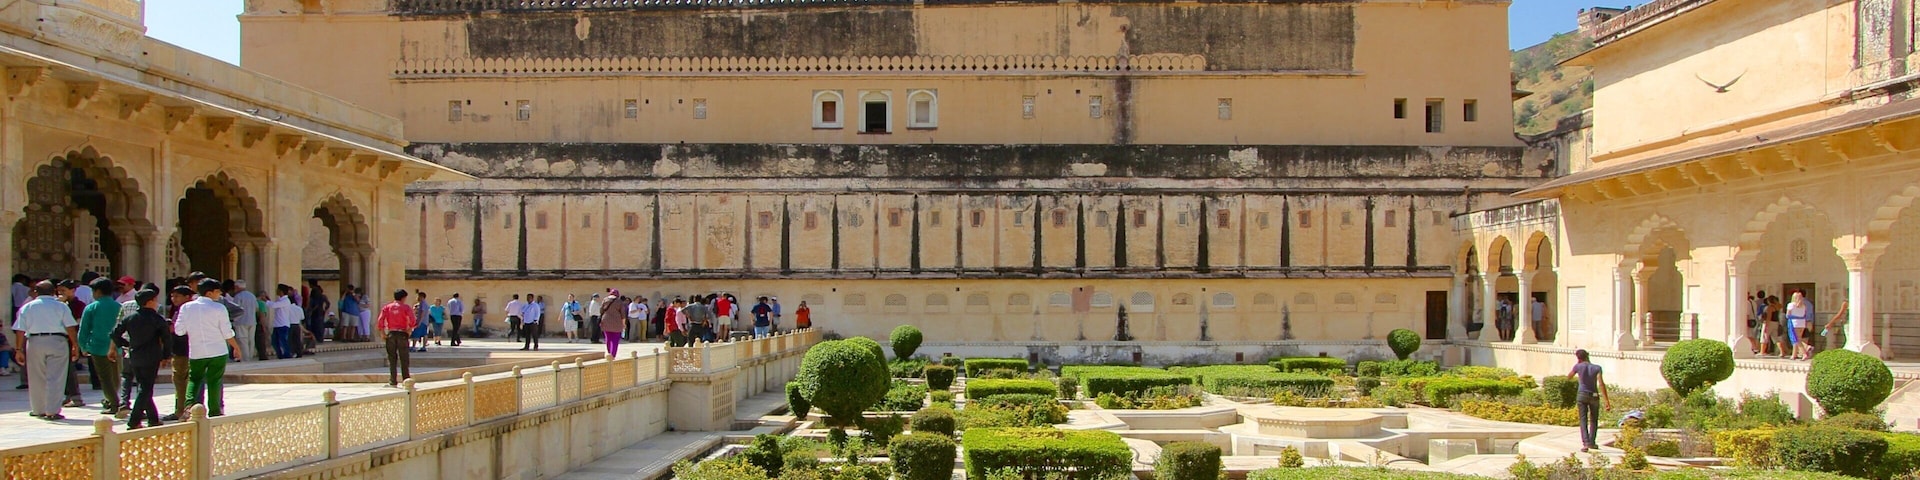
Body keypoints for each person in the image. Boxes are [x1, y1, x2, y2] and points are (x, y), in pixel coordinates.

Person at [174, 279, 240, 417]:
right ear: (209, 293)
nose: (219, 294)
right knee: (214, 380)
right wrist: (235, 347)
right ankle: (215, 410)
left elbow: (179, 330)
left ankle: (189, 407)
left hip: (197, 350)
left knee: (194, 379)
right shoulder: (219, 308)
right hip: (217, 350)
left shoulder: (186, 308)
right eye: (217, 291)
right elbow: (226, 332)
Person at [13, 280, 78, 420]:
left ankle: (38, 409)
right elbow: (70, 327)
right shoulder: (61, 306)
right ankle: (52, 411)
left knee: (36, 376)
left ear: (36, 292)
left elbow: (19, 330)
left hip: (35, 341)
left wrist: (18, 349)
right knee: (56, 377)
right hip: (57, 341)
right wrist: (75, 345)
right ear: (53, 291)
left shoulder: (27, 307)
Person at [112, 289, 171, 429]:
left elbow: (114, 334)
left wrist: (125, 344)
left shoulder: (130, 318)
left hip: (135, 355)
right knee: (145, 388)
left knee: (144, 386)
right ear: (150, 302)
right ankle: (134, 421)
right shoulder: (157, 319)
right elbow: (167, 339)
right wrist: (166, 356)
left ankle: (153, 418)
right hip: (151, 356)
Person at [77, 278, 123, 416]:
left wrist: (82, 346)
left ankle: (113, 403)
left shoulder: (92, 307)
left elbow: (84, 329)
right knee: (115, 376)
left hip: (98, 346)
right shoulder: (119, 306)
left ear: (97, 291)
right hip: (116, 346)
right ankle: (112, 399)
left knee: (104, 377)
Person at [161, 286, 193, 421]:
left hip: (185, 349)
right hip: (179, 349)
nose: (174, 299)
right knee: (179, 381)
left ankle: (182, 410)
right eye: (172, 296)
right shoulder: (176, 310)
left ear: (187, 297)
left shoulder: (187, 310)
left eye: (177, 296)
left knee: (181, 381)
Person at [1567, 349, 1610, 452]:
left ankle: (1585, 443)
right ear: (1587, 356)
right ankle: (1592, 442)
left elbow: (1569, 377)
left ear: (1578, 358)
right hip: (1594, 395)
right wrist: (1606, 401)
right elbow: (1601, 384)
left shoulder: (1578, 367)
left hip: (1582, 395)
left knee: (1583, 419)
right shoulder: (1597, 368)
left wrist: (1578, 365)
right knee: (1594, 419)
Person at [376, 290, 417, 387]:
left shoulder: (387, 307)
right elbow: (413, 319)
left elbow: (380, 320)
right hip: (402, 333)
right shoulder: (405, 307)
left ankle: (393, 380)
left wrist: (382, 332)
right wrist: (410, 329)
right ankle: (406, 380)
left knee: (392, 358)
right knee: (404, 358)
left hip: (391, 333)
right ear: (403, 298)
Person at [270, 285, 302, 359]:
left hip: (282, 324)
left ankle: (287, 354)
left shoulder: (285, 301)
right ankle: (280, 355)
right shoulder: (280, 300)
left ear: (281, 291)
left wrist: (266, 301)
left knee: (283, 341)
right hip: (277, 324)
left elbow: (274, 305)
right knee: (274, 341)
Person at [229, 281, 258, 362]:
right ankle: (250, 357)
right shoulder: (252, 295)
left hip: (241, 321)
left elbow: (235, 309)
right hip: (252, 321)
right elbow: (256, 308)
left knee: (242, 340)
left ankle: (245, 359)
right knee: (251, 340)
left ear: (237, 287)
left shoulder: (238, 296)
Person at [302, 281, 329, 354]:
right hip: (320, 313)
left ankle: (316, 339)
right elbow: (327, 304)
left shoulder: (315, 297)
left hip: (315, 314)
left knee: (314, 326)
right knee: (319, 326)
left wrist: (310, 311)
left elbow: (312, 305)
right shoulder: (322, 296)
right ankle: (319, 339)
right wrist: (324, 310)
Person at [1786, 291, 1813, 360]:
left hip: (1794, 323)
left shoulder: (1791, 305)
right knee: (1797, 339)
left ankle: (1805, 350)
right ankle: (1794, 354)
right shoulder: (1804, 306)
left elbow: (1788, 315)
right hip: (1802, 323)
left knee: (1797, 339)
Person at [600, 292, 629, 356]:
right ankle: (613, 354)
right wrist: (623, 324)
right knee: (615, 339)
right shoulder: (619, 301)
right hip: (617, 321)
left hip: (606, 320)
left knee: (608, 338)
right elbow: (623, 314)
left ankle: (609, 352)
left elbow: (601, 310)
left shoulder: (605, 300)